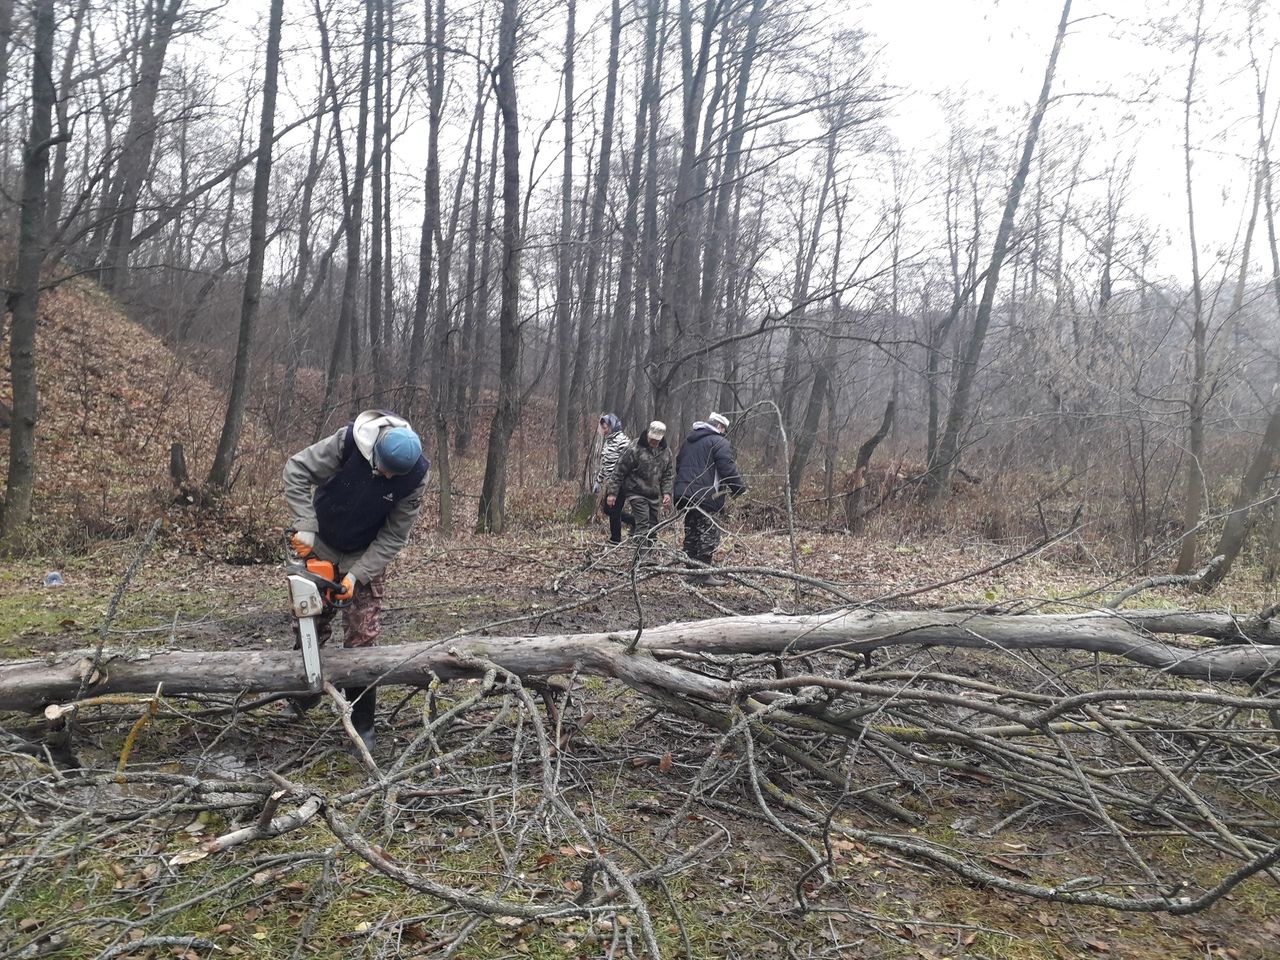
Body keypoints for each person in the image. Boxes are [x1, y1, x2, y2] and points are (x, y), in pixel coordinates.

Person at [282, 409, 430, 752]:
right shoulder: (347, 442)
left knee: (362, 635)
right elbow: (297, 468)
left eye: (395, 474)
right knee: (307, 619)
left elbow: (394, 536)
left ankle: (362, 719)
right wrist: (305, 523)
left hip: (366, 550)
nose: (388, 476)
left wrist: (357, 576)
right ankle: (303, 695)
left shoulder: (415, 478)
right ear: (374, 452)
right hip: (320, 539)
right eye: (385, 469)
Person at [674, 412, 746, 585]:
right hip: (707, 495)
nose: (724, 432)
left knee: (692, 533)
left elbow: (678, 464)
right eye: (724, 429)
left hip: (685, 494)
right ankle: (704, 575)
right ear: (719, 427)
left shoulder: (689, 442)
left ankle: (691, 572)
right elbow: (726, 467)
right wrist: (738, 488)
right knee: (708, 533)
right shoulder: (719, 442)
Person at [605, 420, 673, 548]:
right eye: (652, 439)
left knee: (653, 526)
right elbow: (619, 470)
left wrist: (667, 493)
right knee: (643, 523)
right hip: (635, 491)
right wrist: (612, 493)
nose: (654, 442)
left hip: (653, 493)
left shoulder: (666, 452)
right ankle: (640, 558)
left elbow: (667, 475)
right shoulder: (634, 448)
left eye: (657, 440)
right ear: (648, 434)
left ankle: (649, 552)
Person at [594, 414, 632, 544]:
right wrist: (598, 481)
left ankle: (615, 539)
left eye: (606, 428)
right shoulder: (608, 441)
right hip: (610, 482)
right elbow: (605, 464)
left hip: (621, 482)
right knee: (607, 509)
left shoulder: (622, 441)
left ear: (612, 426)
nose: (604, 431)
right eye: (603, 428)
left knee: (614, 510)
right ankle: (634, 521)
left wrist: (622, 481)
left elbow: (627, 463)